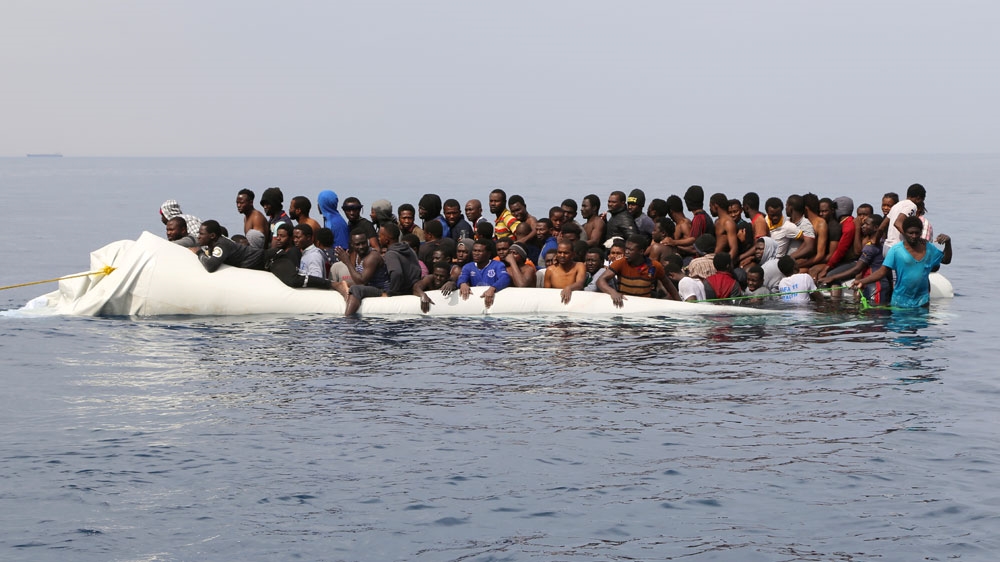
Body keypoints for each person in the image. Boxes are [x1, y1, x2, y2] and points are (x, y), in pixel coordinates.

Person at [852, 216, 952, 308]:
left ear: (921, 232)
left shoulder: (929, 248)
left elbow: (946, 260)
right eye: (910, 233)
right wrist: (862, 281)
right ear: (903, 232)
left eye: (917, 233)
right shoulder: (896, 250)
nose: (914, 236)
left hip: (922, 302)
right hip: (900, 301)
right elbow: (882, 272)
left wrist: (948, 243)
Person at [596, 234, 679, 307]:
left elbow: (668, 284)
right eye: (626, 249)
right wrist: (612, 292)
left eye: (630, 250)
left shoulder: (654, 266)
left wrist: (679, 302)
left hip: (644, 306)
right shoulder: (621, 263)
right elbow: (600, 280)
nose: (627, 252)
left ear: (641, 251)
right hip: (625, 304)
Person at [334, 229, 389, 316]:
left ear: (367, 241)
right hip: (369, 287)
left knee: (355, 289)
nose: (361, 246)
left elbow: (362, 281)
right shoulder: (358, 255)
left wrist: (347, 262)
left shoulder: (372, 256)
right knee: (342, 283)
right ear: (352, 245)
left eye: (363, 243)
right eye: (357, 244)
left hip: (381, 290)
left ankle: (348, 319)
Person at [442, 239, 511, 309]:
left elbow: (505, 278)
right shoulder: (468, 267)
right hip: (476, 304)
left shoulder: (498, 265)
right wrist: (462, 283)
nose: (476, 253)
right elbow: (462, 277)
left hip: (495, 303)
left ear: (488, 253)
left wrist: (493, 288)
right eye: (474, 251)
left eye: (479, 251)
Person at [193, 219, 266, 272]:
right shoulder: (214, 245)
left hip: (266, 259)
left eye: (201, 234)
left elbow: (210, 266)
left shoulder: (222, 244)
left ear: (212, 236)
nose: (198, 237)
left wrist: (199, 252)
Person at [709, 192, 739, 262]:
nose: (710, 209)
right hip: (713, 258)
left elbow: (734, 249)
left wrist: (724, 264)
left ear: (715, 206)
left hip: (721, 262)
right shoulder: (717, 222)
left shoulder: (728, 223)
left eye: (710, 206)